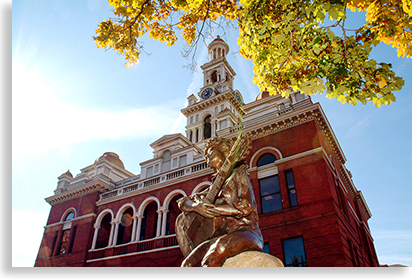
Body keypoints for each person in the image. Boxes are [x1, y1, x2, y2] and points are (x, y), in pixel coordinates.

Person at [175, 136, 263, 267]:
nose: (208, 161)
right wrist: (196, 207)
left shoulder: (238, 175)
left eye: (211, 155)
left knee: (218, 250)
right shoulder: (212, 189)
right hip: (219, 236)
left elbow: (245, 208)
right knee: (187, 264)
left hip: (246, 232)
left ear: (224, 154)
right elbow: (182, 201)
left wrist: (215, 210)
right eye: (206, 158)